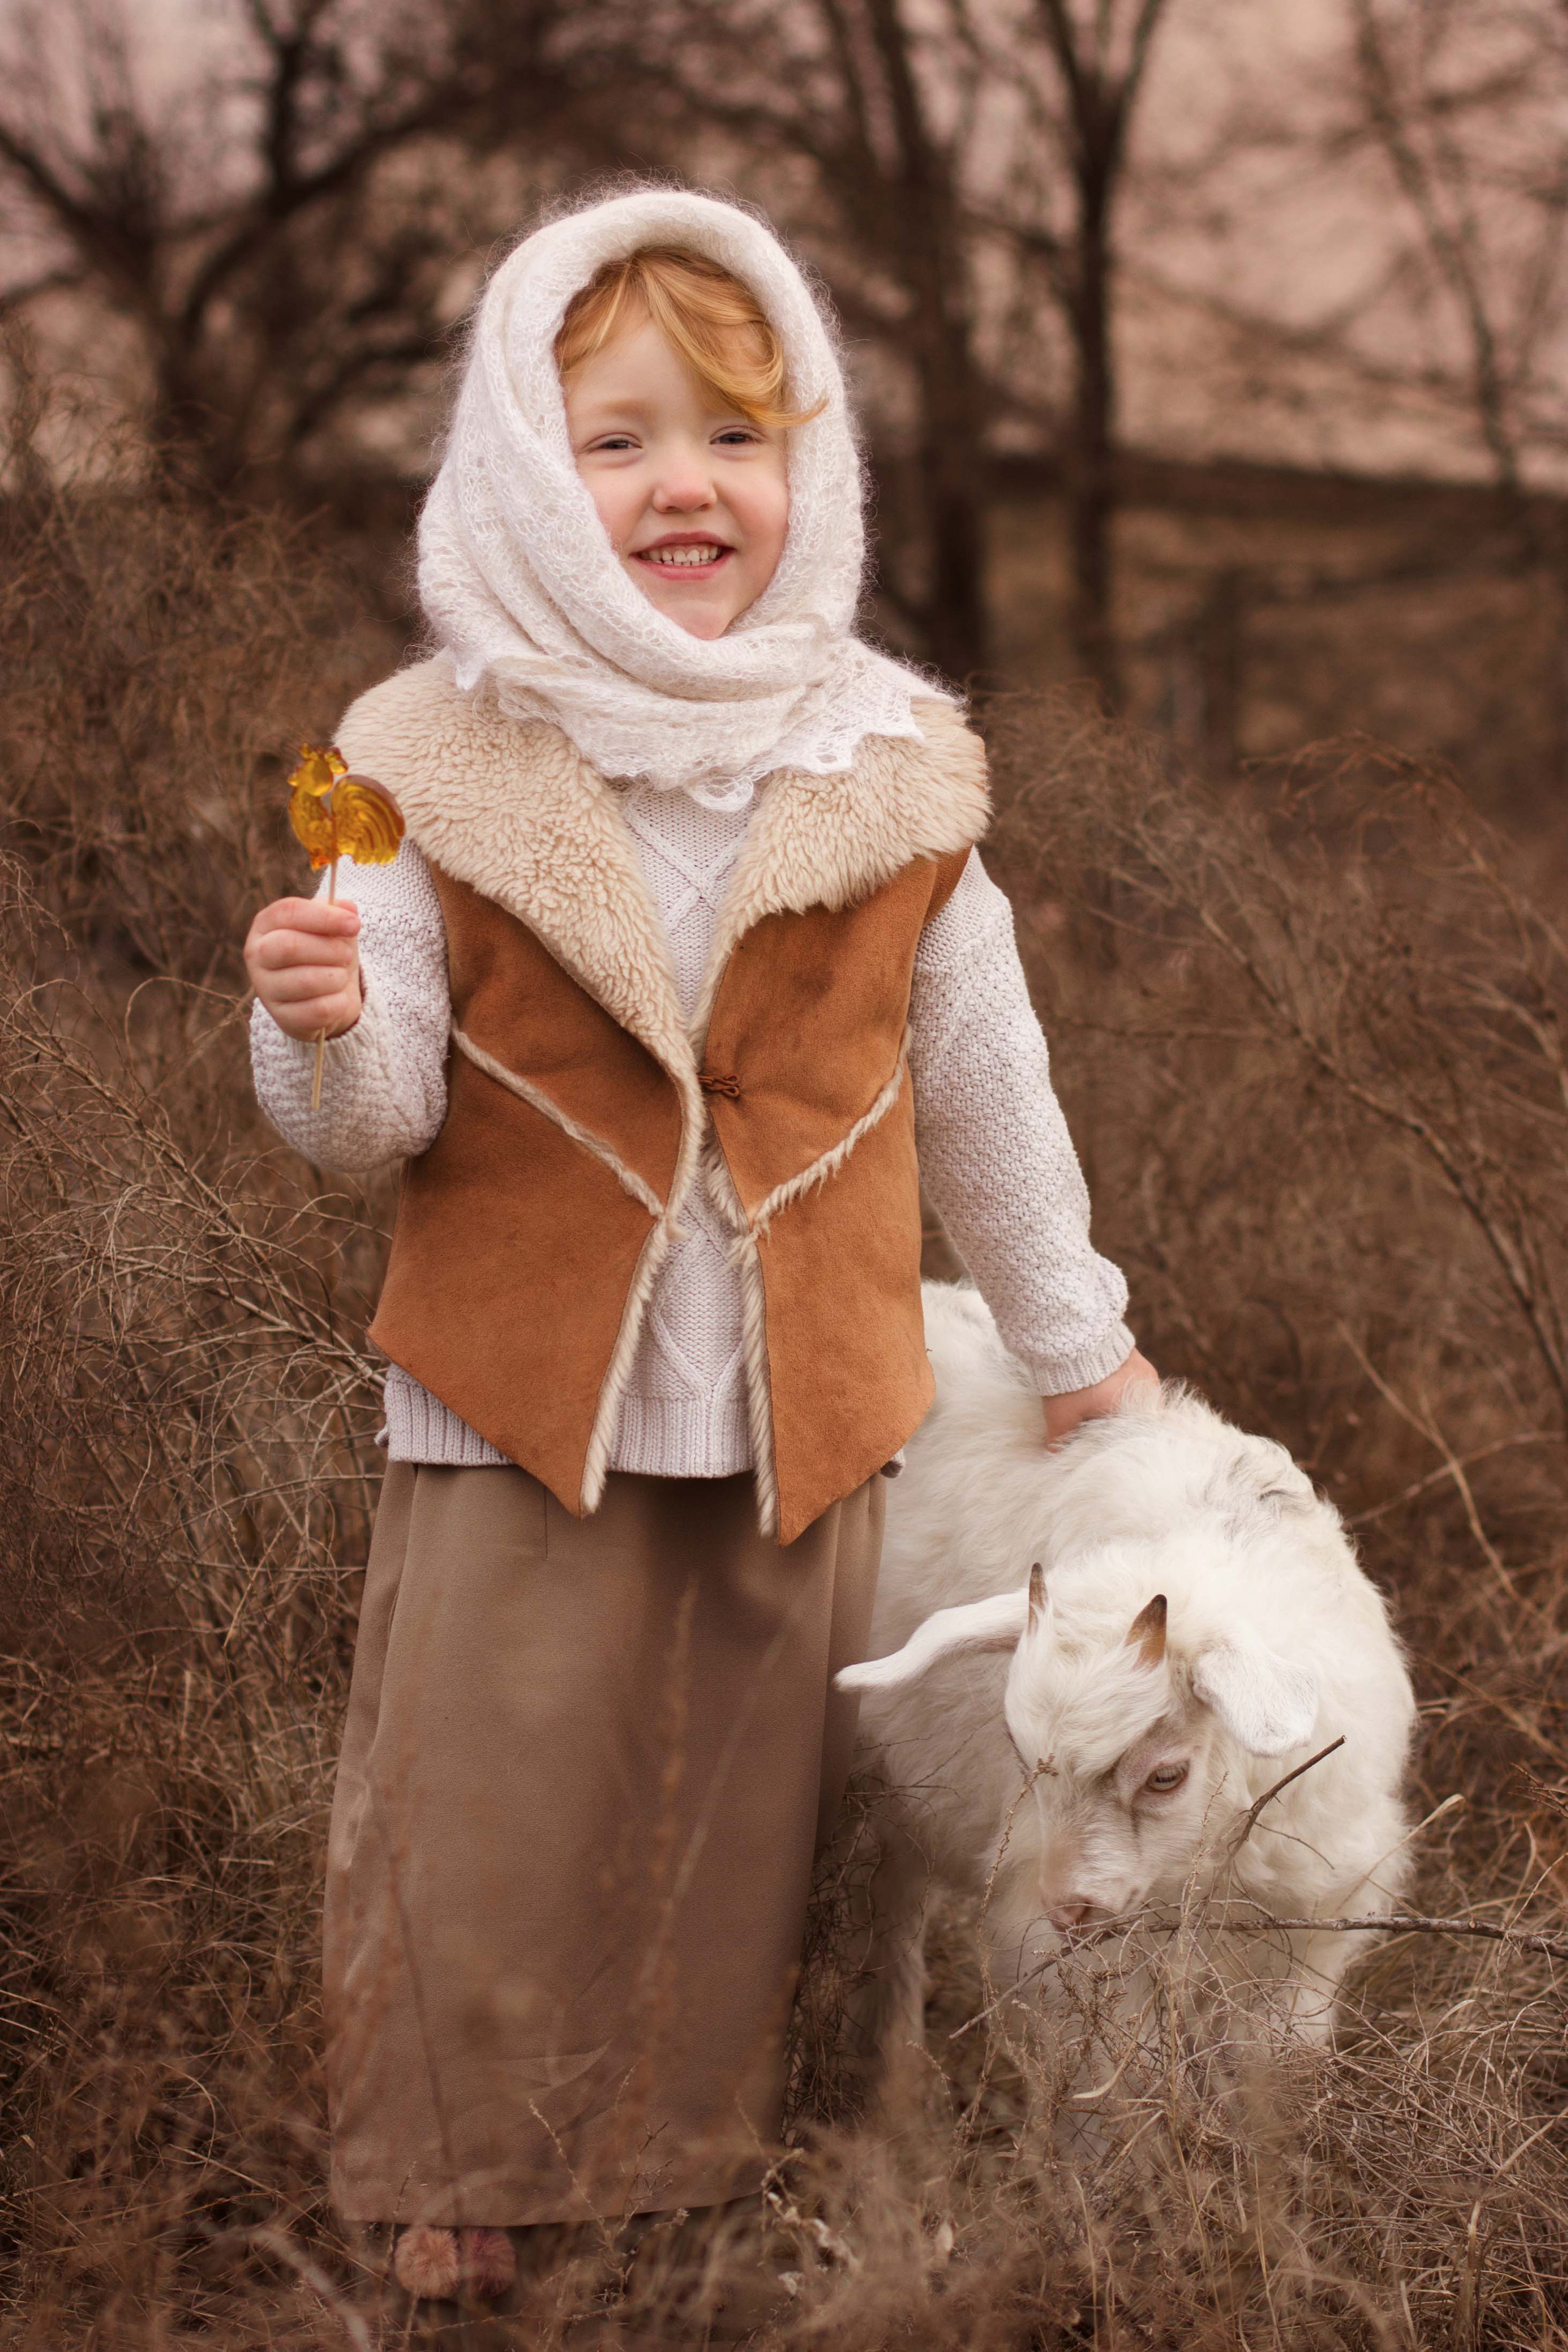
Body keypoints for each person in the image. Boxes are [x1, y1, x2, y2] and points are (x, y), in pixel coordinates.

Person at [244, 187, 1155, 2307]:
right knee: (489, 1806)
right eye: (618, 438)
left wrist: (1081, 1350)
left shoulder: (891, 772)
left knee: (731, 1829)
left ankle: (666, 2176)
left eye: (737, 435)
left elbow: (988, 1088)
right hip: (516, 1394)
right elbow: (366, 1126)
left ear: (809, 464)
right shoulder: (427, 758)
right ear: (519, 474)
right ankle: (451, 2185)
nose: (685, 485)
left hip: (793, 1398)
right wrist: (321, 1026)